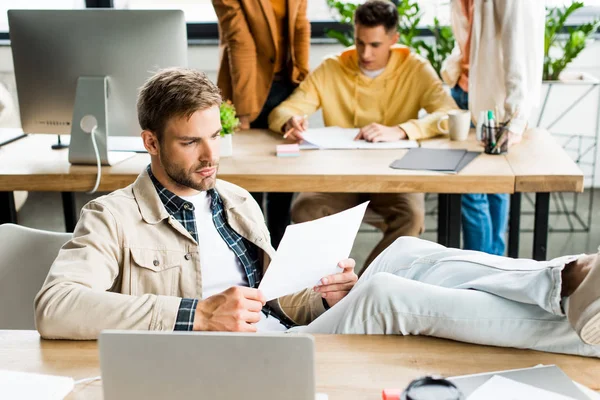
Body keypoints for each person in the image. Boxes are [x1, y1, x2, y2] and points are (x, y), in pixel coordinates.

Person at [34, 68, 600, 360]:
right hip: (227, 360)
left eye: (216, 137)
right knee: (386, 297)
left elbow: (280, 298)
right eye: (190, 143)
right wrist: (196, 316)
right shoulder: (113, 215)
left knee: (405, 253)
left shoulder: (232, 200)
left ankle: (567, 282)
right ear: (151, 143)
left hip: (282, 332)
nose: (211, 157)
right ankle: (581, 334)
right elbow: (55, 308)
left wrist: (321, 295)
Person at [268, 0, 458, 270]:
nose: (365, 53)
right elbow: (283, 110)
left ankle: (363, 286)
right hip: (338, 177)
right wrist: (291, 121)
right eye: (359, 42)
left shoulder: (416, 68)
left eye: (375, 45)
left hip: (395, 176)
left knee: (412, 217)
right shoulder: (332, 67)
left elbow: (449, 115)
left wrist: (402, 130)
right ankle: (332, 285)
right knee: (304, 209)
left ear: (394, 39)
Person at [441, 0, 545, 255]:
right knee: (485, 189)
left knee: (473, 189)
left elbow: (517, 49)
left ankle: (478, 268)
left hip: (493, 101)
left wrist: (516, 117)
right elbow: (471, 34)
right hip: (464, 90)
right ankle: (492, 264)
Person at [212, 0, 310, 249]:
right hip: (247, 85)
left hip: (286, 85)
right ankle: (251, 268)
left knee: (283, 188)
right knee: (248, 194)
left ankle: (279, 270)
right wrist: (243, 113)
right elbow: (239, 41)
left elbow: (300, 25)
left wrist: (302, 85)